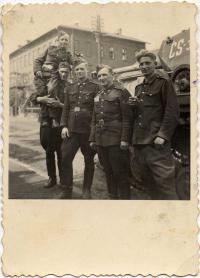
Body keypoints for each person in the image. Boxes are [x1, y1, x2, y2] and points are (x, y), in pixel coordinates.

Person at [129, 49, 179, 200]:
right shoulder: (139, 88)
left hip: (156, 143)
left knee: (165, 185)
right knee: (148, 184)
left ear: (155, 64)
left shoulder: (164, 83)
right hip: (141, 143)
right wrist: (133, 106)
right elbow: (140, 115)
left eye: (147, 63)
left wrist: (163, 135)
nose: (144, 66)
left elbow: (172, 111)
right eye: (141, 64)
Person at [89, 65, 132, 200]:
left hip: (116, 139)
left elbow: (127, 117)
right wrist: (92, 139)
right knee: (107, 171)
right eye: (99, 76)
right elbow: (94, 119)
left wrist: (125, 139)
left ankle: (125, 200)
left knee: (120, 172)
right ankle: (113, 197)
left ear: (112, 75)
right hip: (101, 139)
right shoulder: (98, 95)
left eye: (104, 75)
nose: (101, 78)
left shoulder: (121, 92)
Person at [60, 59, 99, 199]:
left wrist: (94, 132)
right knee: (65, 158)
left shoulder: (95, 87)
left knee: (89, 160)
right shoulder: (70, 88)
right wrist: (64, 126)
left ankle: (86, 190)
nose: (79, 72)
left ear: (86, 69)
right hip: (71, 130)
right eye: (76, 70)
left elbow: (97, 110)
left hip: (87, 131)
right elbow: (66, 108)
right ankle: (67, 189)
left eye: (81, 69)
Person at [30, 62, 71, 188]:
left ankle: (63, 180)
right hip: (46, 121)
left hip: (61, 123)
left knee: (61, 152)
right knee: (48, 150)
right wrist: (40, 99)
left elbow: (73, 106)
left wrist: (61, 105)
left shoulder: (70, 86)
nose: (63, 74)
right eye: (61, 71)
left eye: (66, 72)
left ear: (69, 73)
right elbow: (33, 96)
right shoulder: (50, 83)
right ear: (58, 71)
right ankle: (52, 178)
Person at [33, 30, 73, 126]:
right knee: (42, 93)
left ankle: (54, 118)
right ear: (58, 40)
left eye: (66, 40)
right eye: (62, 39)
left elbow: (72, 64)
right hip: (43, 76)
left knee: (54, 93)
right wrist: (37, 70)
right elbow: (38, 60)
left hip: (56, 77)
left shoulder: (68, 54)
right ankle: (45, 117)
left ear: (68, 42)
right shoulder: (50, 49)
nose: (64, 41)